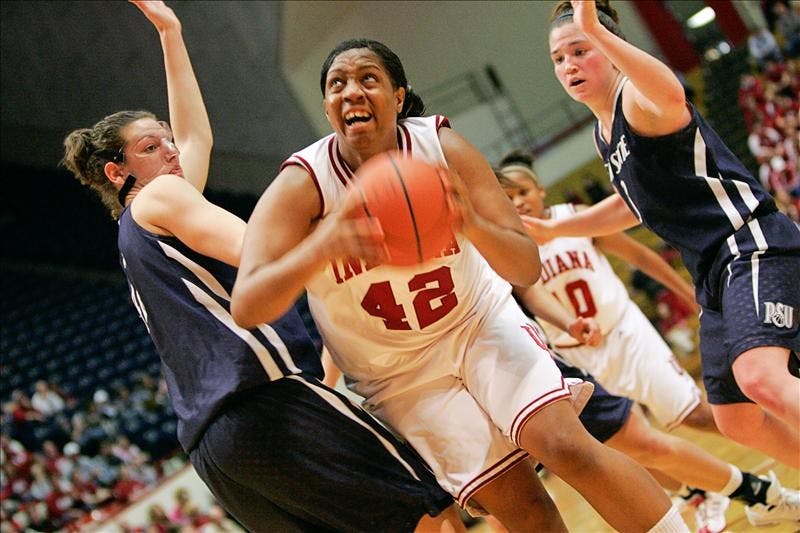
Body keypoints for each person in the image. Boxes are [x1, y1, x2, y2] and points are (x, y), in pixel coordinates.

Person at [232, 37, 687, 532]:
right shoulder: (303, 184)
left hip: (477, 323)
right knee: (523, 508)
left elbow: (525, 267)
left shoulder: (441, 146)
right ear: (326, 106)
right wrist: (321, 245)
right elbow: (248, 305)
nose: (352, 92)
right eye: (337, 84)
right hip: (398, 374)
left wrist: (470, 223)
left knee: (566, 446)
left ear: (398, 96)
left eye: (368, 79)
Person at [60, 3, 464, 531]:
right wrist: (341, 231)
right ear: (118, 173)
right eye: (151, 146)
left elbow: (197, 139)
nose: (172, 150)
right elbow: (256, 250)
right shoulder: (160, 196)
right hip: (264, 401)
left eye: (166, 137)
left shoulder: (136, 231)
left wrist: (170, 31)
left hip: (219, 452)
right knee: (427, 513)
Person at [526, 0, 800, 467]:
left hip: (748, 242)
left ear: (612, 50)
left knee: (759, 376)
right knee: (735, 417)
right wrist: (556, 228)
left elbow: (672, 94)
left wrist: (595, 28)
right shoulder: (603, 133)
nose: (568, 65)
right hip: (713, 273)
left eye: (580, 50)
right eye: (559, 58)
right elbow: (630, 204)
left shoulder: (635, 98)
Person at [499, 166, 800, 529]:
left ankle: (784, 444)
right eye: (509, 197)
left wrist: (686, 292)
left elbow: (640, 257)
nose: (519, 202)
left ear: (541, 190)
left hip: (624, 331)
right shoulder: (512, 249)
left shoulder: (573, 218)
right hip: (576, 352)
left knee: (698, 414)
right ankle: (702, 493)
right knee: (625, 446)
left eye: (523, 192)